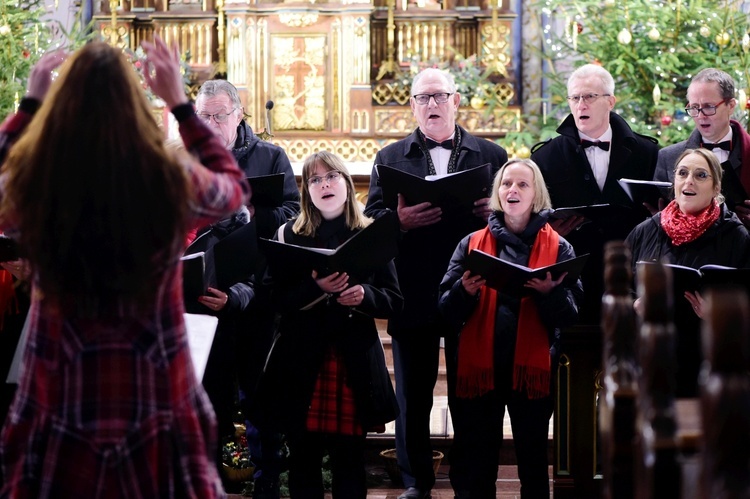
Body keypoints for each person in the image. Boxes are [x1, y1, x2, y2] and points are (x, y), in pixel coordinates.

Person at [0, 38, 250, 497]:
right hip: (150, 380)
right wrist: (180, 105)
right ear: (135, 106)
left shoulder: (38, 183)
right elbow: (232, 188)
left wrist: (30, 106)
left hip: (62, 379)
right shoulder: (165, 177)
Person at [364, 67, 508, 499]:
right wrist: (399, 221)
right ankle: (414, 482)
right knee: (413, 394)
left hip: (471, 287)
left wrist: (494, 216)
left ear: (456, 101)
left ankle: (469, 480)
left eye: (438, 97)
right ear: (411, 105)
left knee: (470, 391)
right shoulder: (389, 159)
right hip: (413, 289)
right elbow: (369, 223)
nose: (431, 105)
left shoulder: (491, 155)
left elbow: (516, 218)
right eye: (422, 98)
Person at [249, 151, 402, 498]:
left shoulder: (370, 233)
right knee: (303, 458)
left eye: (331, 176)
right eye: (315, 180)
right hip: (301, 360)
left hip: (352, 361)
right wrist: (315, 288)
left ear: (347, 184)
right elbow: (270, 299)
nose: (324, 184)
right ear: (307, 192)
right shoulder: (288, 234)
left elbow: (394, 300)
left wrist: (364, 294)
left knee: (349, 461)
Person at [438, 158, 582, 498]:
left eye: (522, 185)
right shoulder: (470, 243)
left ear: (537, 195)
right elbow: (444, 310)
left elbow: (572, 316)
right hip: (481, 367)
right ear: (497, 194)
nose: (512, 190)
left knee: (533, 462)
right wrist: (464, 291)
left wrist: (550, 295)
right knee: (478, 462)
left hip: (532, 371)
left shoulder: (559, 247)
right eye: (506, 184)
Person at [191, 79, 300, 496]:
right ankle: (212, 479)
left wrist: (254, 211)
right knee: (210, 394)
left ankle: (267, 476)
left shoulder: (270, 156)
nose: (211, 123)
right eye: (203, 116)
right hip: (204, 294)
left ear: (239, 114)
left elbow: (293, 213)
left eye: (219, 115)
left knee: (260, 392)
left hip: (258, 292)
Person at [530, 63, 660, 324]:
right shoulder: (544, 157)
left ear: (610, 101)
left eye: (589, 96)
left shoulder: (647, 152)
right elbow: (532, 220)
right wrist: (551, 232)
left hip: (631, 273)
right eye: (575, 98)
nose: (581, 105)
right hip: (573, 274)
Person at [627, 148, 750, 397]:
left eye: (701, 175)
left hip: (708, 365)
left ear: (716, 188)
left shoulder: (736, 237)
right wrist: (634, 305)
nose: (689, 181)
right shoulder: (646, 230)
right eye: (682, 173)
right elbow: (618, 288)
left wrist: (718, 315)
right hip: (651, 361)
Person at [653, 68, 750, 227]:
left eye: (708, 107)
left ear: (731, 106)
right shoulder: (668, 157)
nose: (700, 115)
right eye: (694, 107)